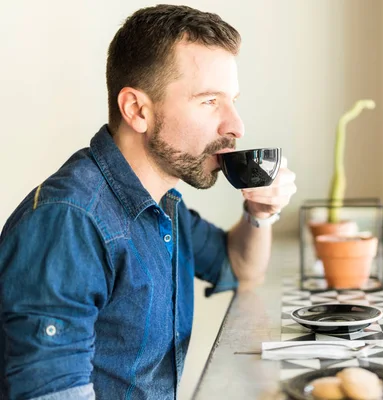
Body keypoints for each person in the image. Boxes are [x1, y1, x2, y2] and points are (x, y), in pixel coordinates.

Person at [0, 4, 297, 399]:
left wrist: (260, 213)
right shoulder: (69, 221)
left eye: (232, 101)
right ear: (137, 110)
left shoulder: (163, 205)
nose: (236, 126)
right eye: (210, 101)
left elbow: (241, 268)